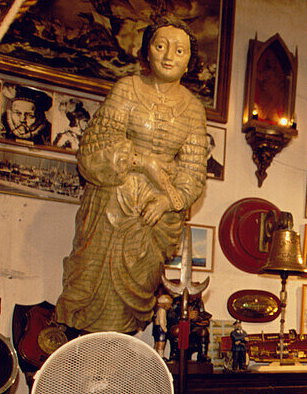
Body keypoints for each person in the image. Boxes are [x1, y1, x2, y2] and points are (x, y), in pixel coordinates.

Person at [54, 18, 210, 334]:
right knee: (92, 287)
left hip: (153, 220)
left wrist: (168, 200)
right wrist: (144, 162)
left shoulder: (193, 109)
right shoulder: (127, 89)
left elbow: (194, 171)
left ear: (188, 63)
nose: (169, 56)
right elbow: (95, 147)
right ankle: (86, 359)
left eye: (179, 51)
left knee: (131, 305)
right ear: (146, 52)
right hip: (110, 206)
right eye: (161, 46)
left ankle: (118, 364)